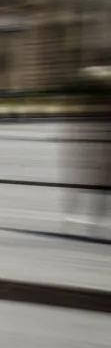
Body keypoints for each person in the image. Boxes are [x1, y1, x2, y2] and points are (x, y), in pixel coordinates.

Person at [65, 66, 111, 239]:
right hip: (94, 154)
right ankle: (88, 220)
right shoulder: (92, 106)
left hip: (93, 154)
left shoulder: (86, 105)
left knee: (92, 186)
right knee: (96, 187)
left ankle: (82, 219)